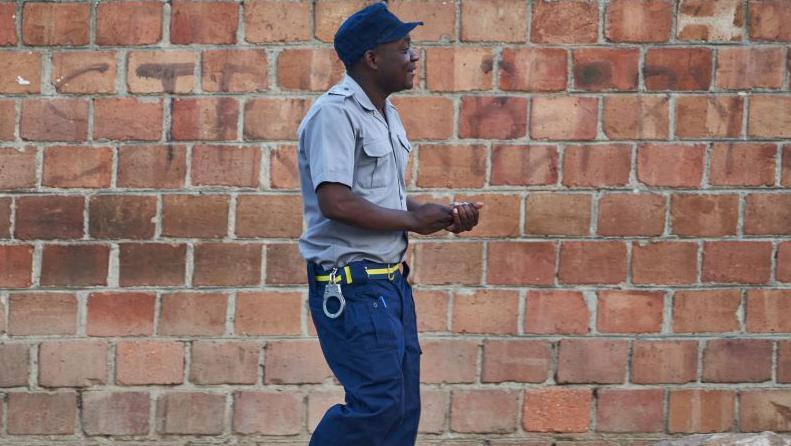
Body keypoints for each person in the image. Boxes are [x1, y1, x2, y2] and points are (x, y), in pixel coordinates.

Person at [296, 3, 483, 445]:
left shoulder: (385, 113)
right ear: (372, 58)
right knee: (376, 405)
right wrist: (413, 220)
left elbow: (382, 199)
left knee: (400, 411)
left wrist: (436, 215)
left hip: (390, 287)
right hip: (352, 287)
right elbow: (336, 201)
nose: (413, 57)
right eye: (403, 48)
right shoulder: (334, 114)